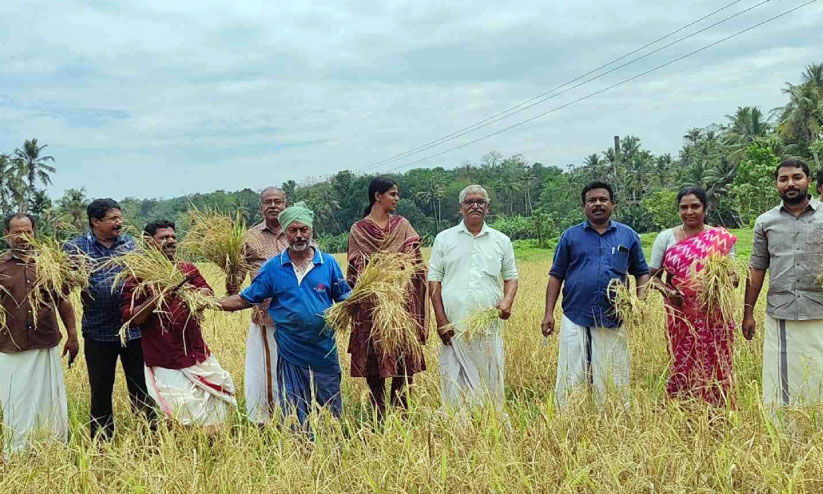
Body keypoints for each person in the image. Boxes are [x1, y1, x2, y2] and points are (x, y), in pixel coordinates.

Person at [218, 202, 351, 425]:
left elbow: (345, 297)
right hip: (290, 353)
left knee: (330, 410)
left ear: (311, 231)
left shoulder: (327, 264)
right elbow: (245, 298)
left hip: (324, 351)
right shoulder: (273, 268)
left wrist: (365, 300)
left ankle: (333, 451)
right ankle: (303, 451)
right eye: (293, 230)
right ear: (286, 232)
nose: (299, 235)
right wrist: (211, 303)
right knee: (296, 410)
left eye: (304, 230)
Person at [541, 181, 650, 410]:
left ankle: (614, 418)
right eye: (592, 200)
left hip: (613, 316)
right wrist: (548, 313)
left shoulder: (628, 235)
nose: (598, 204)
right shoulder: (570, 237)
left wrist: (639, 303)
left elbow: (641, 272)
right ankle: (569, 416)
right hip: (575, 314)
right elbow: (555, 276)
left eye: (603, 199)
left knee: (613, 372)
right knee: (571, 371)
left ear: (613, 204)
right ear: (584, 206)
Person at [121, 220, 236, 430]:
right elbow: (133, 319)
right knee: (178, 412)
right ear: (149, 242)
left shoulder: (188, 269)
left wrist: (200, 296)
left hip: (196, 351)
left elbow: (208, 296)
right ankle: (180, 453)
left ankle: (211, 450)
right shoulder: (139, 277)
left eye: (173, 237)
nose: (171, 241)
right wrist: (156, 298)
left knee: (215, 402)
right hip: (163, 356)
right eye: (164, 238)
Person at [65, 198, 155, 439]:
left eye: (120, 217)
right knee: (101, 390)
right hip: (98, 332)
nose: (119, 222)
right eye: (113, 218)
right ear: (96, 222)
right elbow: (64, 285)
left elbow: (147, 280)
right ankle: (102, 442)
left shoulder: (131, 245)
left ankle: (151, 439)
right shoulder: (75, 248)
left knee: (141, 388)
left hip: (133, 330)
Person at [429, 185, 518, 410]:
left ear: (487, 208)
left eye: (480, 202)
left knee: (490, 381)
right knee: (453, 384)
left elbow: (511, 278)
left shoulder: (501, 241)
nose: (475, 205)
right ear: (461, 208)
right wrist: (441, 322)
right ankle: (456, 429)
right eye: (470, 202)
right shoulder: (444, 239)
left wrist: (507, 301)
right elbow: (434, 282)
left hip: (486, 327)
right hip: (454, 328)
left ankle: (490, 426)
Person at [743, 159, 823, 409]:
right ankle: (785, 430)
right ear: (776, 184)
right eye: (783, 179)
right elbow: (757, 268)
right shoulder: (765, 222)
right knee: (782, 377)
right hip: (781, 312)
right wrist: (748, 313)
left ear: (808, 181)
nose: (791, 183)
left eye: (797, 177)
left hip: (819, 310)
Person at [347, 177, 428, 418]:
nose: (397, 198)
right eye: (393, 194)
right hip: (372, 305)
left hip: (400, 303)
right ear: (377, 196)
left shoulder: (403, 225)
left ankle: (401, 411)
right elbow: (356, 270)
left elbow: (416, 262)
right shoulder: (359, 230)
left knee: (404, 361)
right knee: (374, 360)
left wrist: (402, 272)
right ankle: (379, 412)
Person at [649, 187, 737, 406]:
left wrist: (718, 282)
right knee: (682, 361)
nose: (689, 212)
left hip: (713, 315)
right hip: (681, 315)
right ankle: (683, 408)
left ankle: (716, 409)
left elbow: (734, 278)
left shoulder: (719, 238)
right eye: (684, 207)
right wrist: (669, 292)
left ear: (705, 209)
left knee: (716, 361)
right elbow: (651, 278)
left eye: (695, 206)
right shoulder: (666, 237)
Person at [0, 213, 79, 459]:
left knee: (49, 399)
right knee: (15, 400)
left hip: (45, 342)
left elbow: (63, 301)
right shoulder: (0, 266)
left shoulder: (49, 265)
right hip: (9, 345)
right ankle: (17, 452)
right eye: (17, 232)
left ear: (34, 233)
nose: (23, 237)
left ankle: (52, 449)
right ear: (7, 235)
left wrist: (73, 335)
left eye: (28, 232)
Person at [227, 186, 291, 424]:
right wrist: (230, 267)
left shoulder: (297, 232)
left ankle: (297, 417)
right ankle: (267, 423)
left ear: (286, 205)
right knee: (268, 375)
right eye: (268, 202)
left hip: (298, 318)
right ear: (261, 207)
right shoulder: (249, 238)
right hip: (267, 318)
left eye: (278, 201)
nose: (273, 206)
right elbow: (235, 285)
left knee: (297, 372)